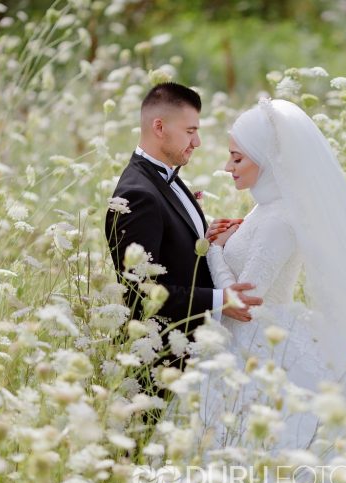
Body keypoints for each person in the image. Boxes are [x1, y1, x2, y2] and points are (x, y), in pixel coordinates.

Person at [198, 98, 346, 451]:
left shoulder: (280, 220)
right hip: (240, 342)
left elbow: (246, 299)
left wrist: (215, 251)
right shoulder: (263, 208)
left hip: (258, 347)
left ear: (265, 160)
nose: (227, 166)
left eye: (237, 158)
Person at [104, 83, 262, 390]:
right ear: (159, 127)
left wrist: (207, 239)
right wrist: (220, 300)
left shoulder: (161, 179)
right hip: (160, 365)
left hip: (191, 357)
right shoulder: (137, 195)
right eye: (190, 131)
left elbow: (171, 256)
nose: (198, 142)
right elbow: (140, 294)